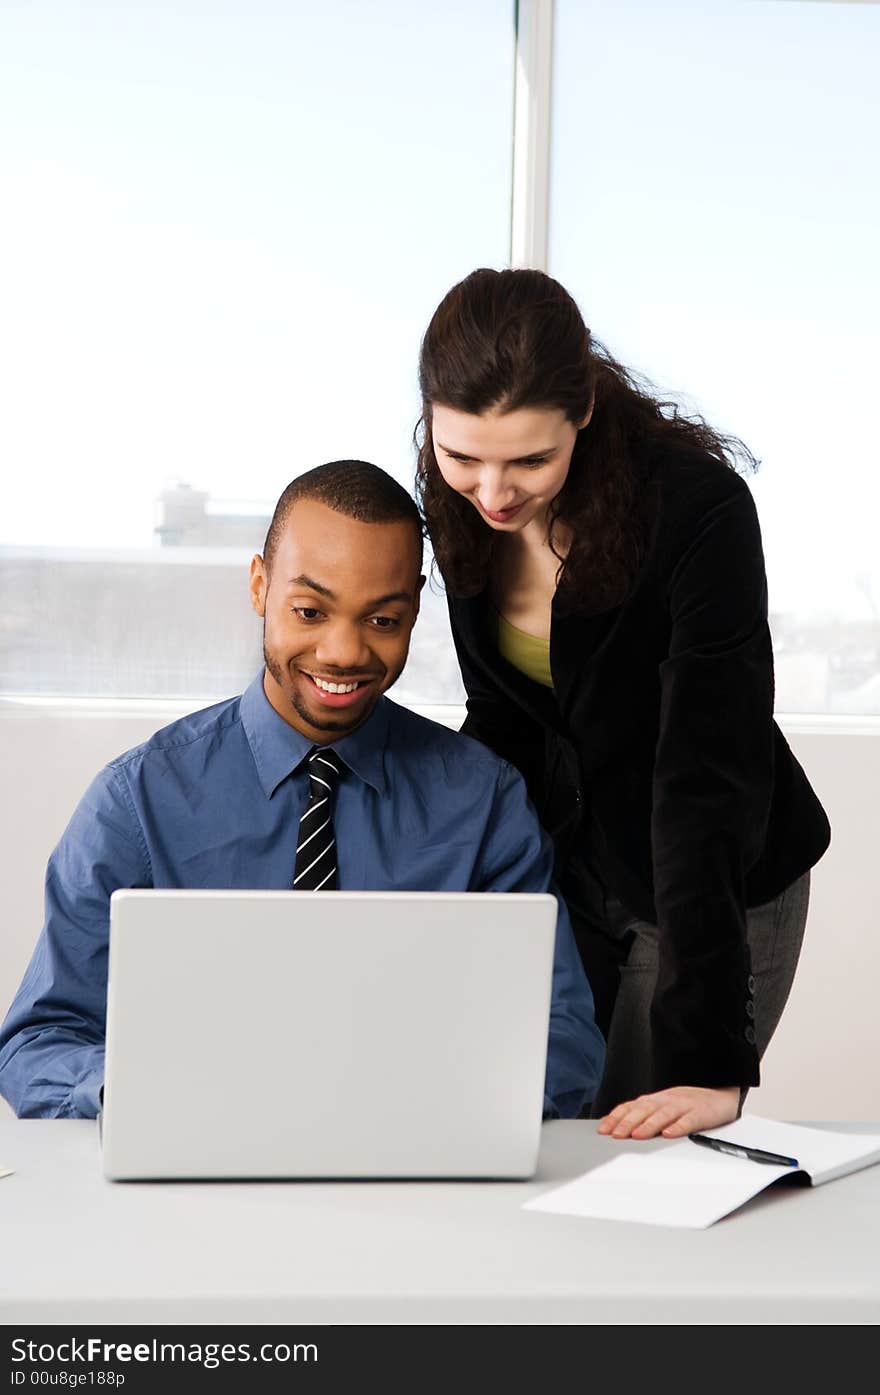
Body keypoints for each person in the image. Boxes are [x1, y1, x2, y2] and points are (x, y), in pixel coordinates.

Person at [0, 460, 604, 1122]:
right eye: (310, 610)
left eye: (383, 619)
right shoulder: (137, 800)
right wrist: (141, 1090)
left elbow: (565, 1039)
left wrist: (427, 1102)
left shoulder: (484, 802)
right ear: (260, 585)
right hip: (194, 1176)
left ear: (414, 607)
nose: (344, 652)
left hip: (421, 1166)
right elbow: (36, 1042)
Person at [415, 268, 831, 1141]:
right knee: (530, 1126)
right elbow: (501, 720)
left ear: (586, 414)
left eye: (530, 459)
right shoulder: (460, 510)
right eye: (462, 458)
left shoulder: (697, 511)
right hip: (579, 865)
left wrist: (714, 1054)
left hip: (717, 882)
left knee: (633, 1147)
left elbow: (704, 779)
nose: (492, 492)